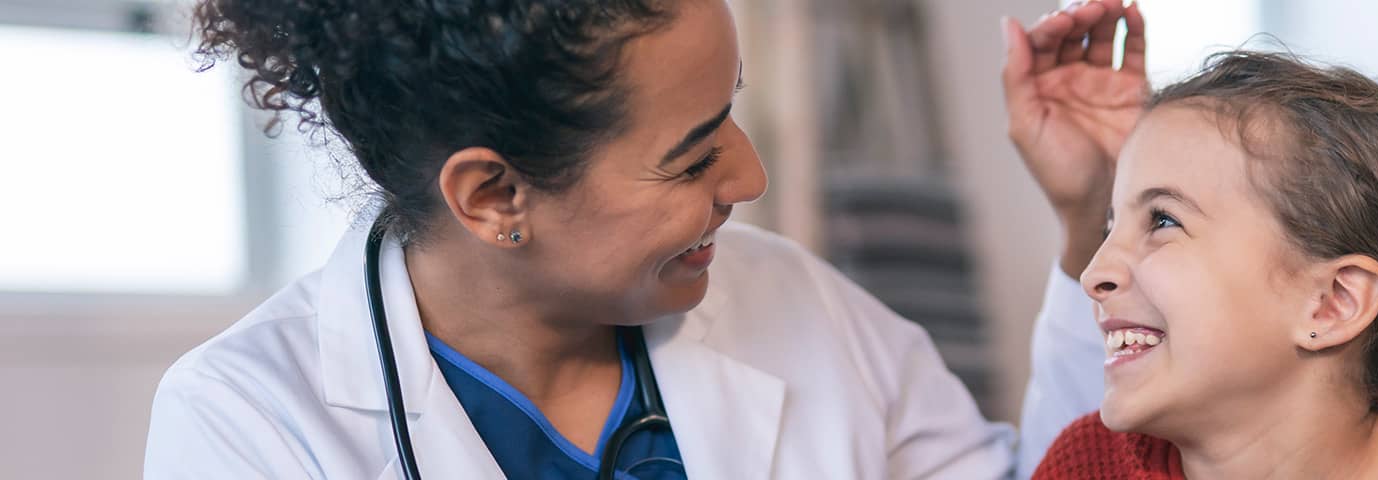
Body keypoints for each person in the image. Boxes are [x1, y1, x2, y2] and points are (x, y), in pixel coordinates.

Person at [141, 0, 1147, 478]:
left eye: (732, 112)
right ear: (495, 195)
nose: (750, 178)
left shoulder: (794, 300)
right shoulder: (249, 423)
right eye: (691, 154)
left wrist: (1088, 214)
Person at [1026, 51, 1378, 479]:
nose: (1094, 273)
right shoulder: (1087, 465)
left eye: (1163, 220)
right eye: (1110, 225)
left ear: (1332, 303)